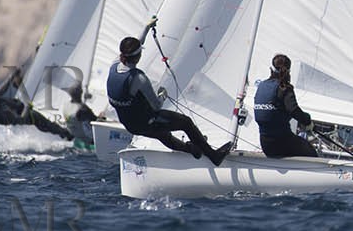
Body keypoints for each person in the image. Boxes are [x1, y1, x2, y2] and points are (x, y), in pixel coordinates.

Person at [106, 24, 232, 167]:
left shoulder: (114, 64)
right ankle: (214, 156)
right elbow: (156, 105)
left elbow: (138, 42)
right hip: (147, 122)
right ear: (139, 56)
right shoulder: (138, 78)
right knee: (186, 123)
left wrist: (147, 28)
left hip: (131, 125)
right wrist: (162, 94)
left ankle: (193, 150)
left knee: (163, 135)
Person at [253, 53, 318, 159]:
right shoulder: (285, 88)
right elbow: (293, 110)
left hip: (266, 145)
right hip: (282, 142)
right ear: (289, 71)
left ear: (271, 69)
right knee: (310, 150)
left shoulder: (261, 85)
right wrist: (307, 121)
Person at [0, 69, 71, 140]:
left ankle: (63, 133)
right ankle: (67, 135)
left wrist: (12, 76)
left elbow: (1, 91)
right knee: (42, 121)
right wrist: (27, 107)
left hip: (17, 108)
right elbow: (20, 120)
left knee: (17, 86)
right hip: (24, 115)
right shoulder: (0, 108)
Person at [64, 83, 98, 150]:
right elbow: (95, 120)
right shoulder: (82, 108)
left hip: (73, 136)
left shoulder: (66, 105)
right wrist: (101, 117)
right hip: (87, 141)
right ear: (80, 93)